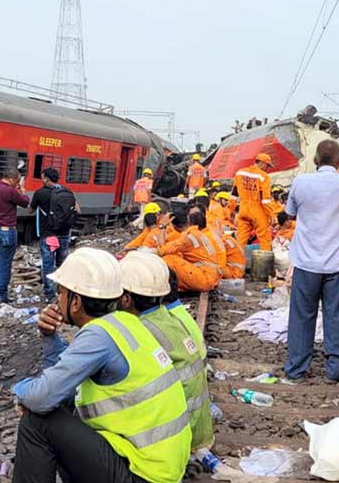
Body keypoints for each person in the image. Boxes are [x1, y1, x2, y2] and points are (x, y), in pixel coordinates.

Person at [12, 248, 191, 483]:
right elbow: (63, 377)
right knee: (60, 406)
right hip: (158, 468)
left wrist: (19, 392)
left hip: (144, 475)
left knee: (36, 421)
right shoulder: (125, 323)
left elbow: (42, 397)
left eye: (61, 292)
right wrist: (49, 337)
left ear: (75, 302)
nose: (58, 299)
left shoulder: (97, 337)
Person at [117, 253, 213, 451]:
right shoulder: (168, 318)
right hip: (199, 431)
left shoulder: (141, 331)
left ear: (126, 299)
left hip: (179, 440)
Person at [283, 140, 339, 383]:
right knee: (335, 316)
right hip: (337, 262)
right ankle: (336, 371)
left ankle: (296, 369)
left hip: (306, 261)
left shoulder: (301, 182)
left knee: (302, 316)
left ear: (316, 160)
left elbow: (291, 212)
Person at [28, 168, 76, 299]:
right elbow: (77, 209)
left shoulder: (40, 193)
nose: (41, 180)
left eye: (42, 178)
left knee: (48, 264)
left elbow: (30, 211)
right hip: (65, 233)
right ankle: (63, 291)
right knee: (62, 263)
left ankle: (49, 293)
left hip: (48, 235)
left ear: (46, 179)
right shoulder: (67, 191)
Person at [0, 168, 30, 302]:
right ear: (11, 179)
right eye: (16, 181)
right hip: (7, 230)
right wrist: (22, 191)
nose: (16, 184)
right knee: (5, 263)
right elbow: (25, 202)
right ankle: (2, 295)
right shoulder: (10, 190)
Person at [159, 207, 223, 292]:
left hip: (206, 279)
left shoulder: (187, 238)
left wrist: (162, 226)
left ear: (173, 226)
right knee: (176, 255)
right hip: (211, 276)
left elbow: (162, 250)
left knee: (168, 258)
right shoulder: (195, 232)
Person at [233, 153, 274, 251]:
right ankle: (264, 266)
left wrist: (231, 211)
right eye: (267, 166)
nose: (267, 169)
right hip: (257, 212)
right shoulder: (264, 177)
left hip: (243, 210)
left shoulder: (240, 173)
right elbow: (265, 201)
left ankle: (235, 264)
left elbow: (233, 195)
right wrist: (271, 216)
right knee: (265, 241)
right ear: (262, 164)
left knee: (240, 240)